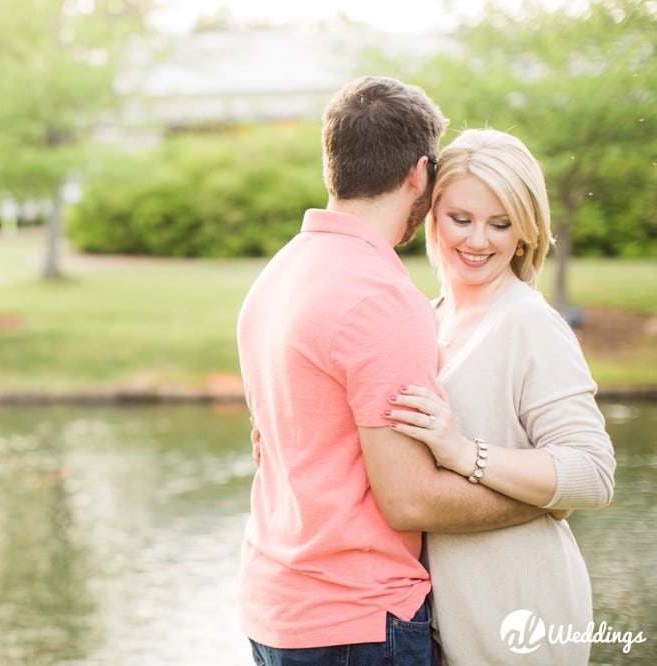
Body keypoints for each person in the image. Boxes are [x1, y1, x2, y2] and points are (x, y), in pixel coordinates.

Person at [236, 76, 556, 665]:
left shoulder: (278, 275)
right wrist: (547, 499)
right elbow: (410, 502)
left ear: (334, 164)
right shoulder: (380, 298)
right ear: (419, 174)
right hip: (357, 620)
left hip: (275, 607)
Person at [384, 128, 615, 663]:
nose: (478, 240)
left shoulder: (529, 323)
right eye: (460, 219)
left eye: (500, 223)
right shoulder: (428, 316)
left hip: (523, 619)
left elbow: (593, 473)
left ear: (526, 230)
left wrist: (467, 453)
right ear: (431, 213)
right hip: (443, 624)